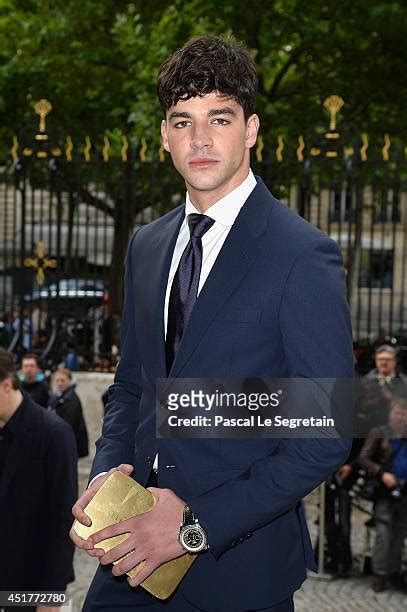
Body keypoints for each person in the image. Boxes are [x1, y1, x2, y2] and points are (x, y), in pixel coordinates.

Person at [71, 35, 353, 612]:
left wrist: (193, 526)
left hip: (238, 570)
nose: (199, 138)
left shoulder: (302, 253)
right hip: (130, 562)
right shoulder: (146, 245)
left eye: (218, 118)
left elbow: (324, 434)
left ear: (250, 130)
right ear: (164, 137)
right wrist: (108, 475)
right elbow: (132, 386)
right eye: (183, 121)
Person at [0, 348, 77, 612]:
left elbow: (62, 520)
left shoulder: (54, 434)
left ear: (6, 385)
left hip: (29, 587)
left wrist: (51, 597)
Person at [359, 398, 407, 593]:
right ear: (390, 414)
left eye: (404, 413)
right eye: (397, 412)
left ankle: (394, 571)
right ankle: (380, 573)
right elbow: (363, 458)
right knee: (383, 533)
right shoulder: (379, 433)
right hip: (384, 491)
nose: (401, 416)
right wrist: (381, 474)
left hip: (405, 492)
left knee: (399, 533)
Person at [358, 345, 407, 433]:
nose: (384, 363)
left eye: (387, 359)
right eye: (380, 359)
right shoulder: (365, 381)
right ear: (376, 361)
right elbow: (358, 406)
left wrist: (391, 398)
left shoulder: (403, 382)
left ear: (395, 361)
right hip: (368, 428)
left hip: (394, 431)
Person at [50, 368, 89, 458]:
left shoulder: (71, 399)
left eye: (63, 380)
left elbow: (68, 423)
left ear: (69, 381)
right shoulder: (56, 396)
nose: (59, 383)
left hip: (70, 443)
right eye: (57, 380)